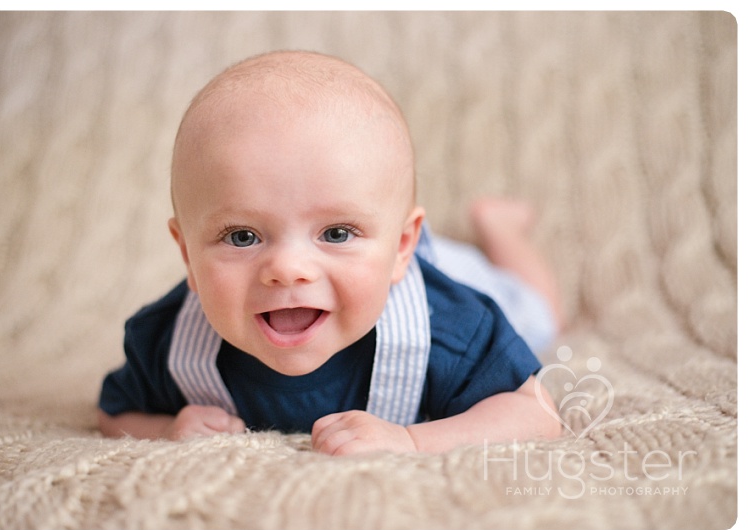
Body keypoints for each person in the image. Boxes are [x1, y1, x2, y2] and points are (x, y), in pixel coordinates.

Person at [98, 50, 563, 455]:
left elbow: (537, 413)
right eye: (242, 236)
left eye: (337, 232)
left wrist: (414, 441)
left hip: (437, 277)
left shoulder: (452, 327)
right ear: (186, 255)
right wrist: (166, 428)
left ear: (403, 245)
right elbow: (113, 413)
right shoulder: (168, 342)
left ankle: (499, 226)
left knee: (539, 314)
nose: (287, 270)